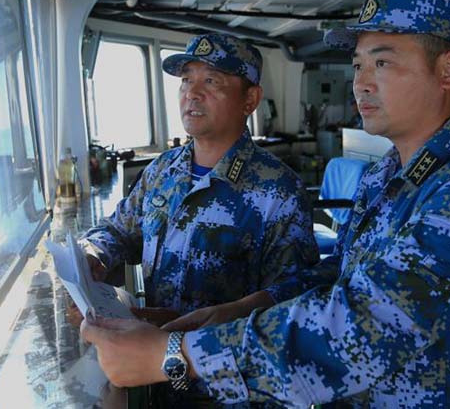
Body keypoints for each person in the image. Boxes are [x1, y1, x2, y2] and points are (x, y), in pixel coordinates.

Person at [80, 0, 450, 407]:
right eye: (358, 65)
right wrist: (242, 308)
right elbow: (339, 273)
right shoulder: (387, 176)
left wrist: (176, 356)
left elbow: (366, 325)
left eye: (382, 63)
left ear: (448, 70)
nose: (361, 83)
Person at [76, 32, 320, 404]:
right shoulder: (162, 170)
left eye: (212, 81)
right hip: (152, 374)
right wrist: (94, 256)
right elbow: (117, 229)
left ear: (250, 99)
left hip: (226, 388)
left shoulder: (279, 190)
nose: (192, 92)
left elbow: (293, 301)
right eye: (186, 80)